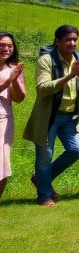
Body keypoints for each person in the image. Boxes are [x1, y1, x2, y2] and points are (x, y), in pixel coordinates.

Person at [23, 24, 79, 206]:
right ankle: (44, 196)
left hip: (71, 117)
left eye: (75, 39)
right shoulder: (46, 60)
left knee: (77, 149)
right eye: (68, 39)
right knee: (45, 156)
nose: (72, 43)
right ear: (57, 41)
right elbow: (42, 88)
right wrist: (70, 76)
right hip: (49, 117)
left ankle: (41, 179)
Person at [0, 32, 27, 205]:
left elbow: (19, 98)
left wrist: (15, 80)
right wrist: (6, 81)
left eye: (9, 46)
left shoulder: (14, 68)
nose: (6, 48)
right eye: (2, 45)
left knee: (2, 165)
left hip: (3, 120)